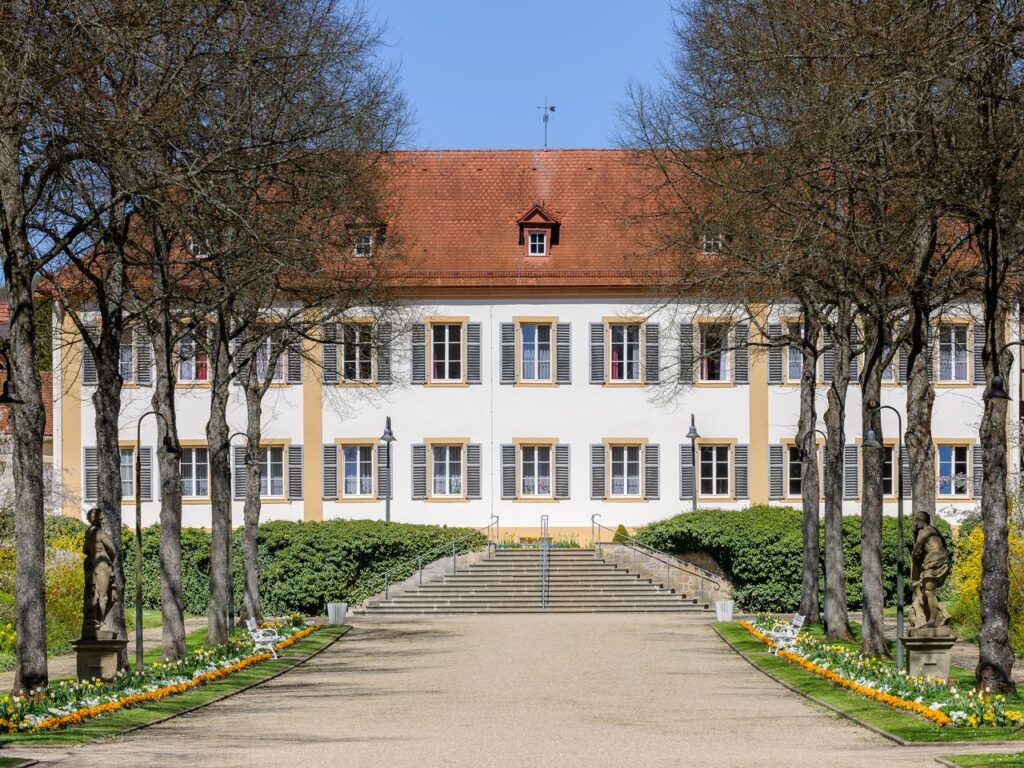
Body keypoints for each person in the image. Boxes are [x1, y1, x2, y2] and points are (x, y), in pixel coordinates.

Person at [910, 509, 951, 629]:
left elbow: (916, 551)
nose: (916, 525)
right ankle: (945, 614)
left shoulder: (923, 532)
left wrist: (915, 559)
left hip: (933, 562)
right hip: (941, 560)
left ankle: (932, 620)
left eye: (917, 521)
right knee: (928, 592)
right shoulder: (934, 530)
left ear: (922, 520)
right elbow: (944, 544)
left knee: (929, 592)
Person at [83, 507, 118, 639]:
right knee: (104, 595)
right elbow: (113, 550)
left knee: (93, 593)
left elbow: (84, 550)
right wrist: (110, 562)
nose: (103, 520)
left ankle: (94, 621)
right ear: (97, 519)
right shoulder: (100, 533)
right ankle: (101, 623)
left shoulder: (88, 533)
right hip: (102, 565)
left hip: (91, 564)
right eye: (101, 518)